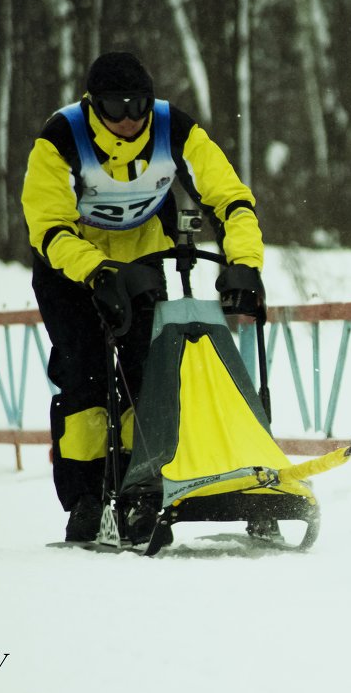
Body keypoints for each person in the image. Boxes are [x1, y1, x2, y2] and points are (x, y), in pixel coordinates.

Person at [21, 52, 266, 543]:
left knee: (146, 376)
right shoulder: (61, 137)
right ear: (94, 105)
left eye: (140, 104)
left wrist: (245, 261)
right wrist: (96, 271)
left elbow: (229, 196)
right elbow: (47, 225)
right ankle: (87, 499)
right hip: (70, 268)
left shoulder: (173, 127)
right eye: (116, 108)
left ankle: (142, 487)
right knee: (84, 375)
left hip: (141, 262)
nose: (131, 118)